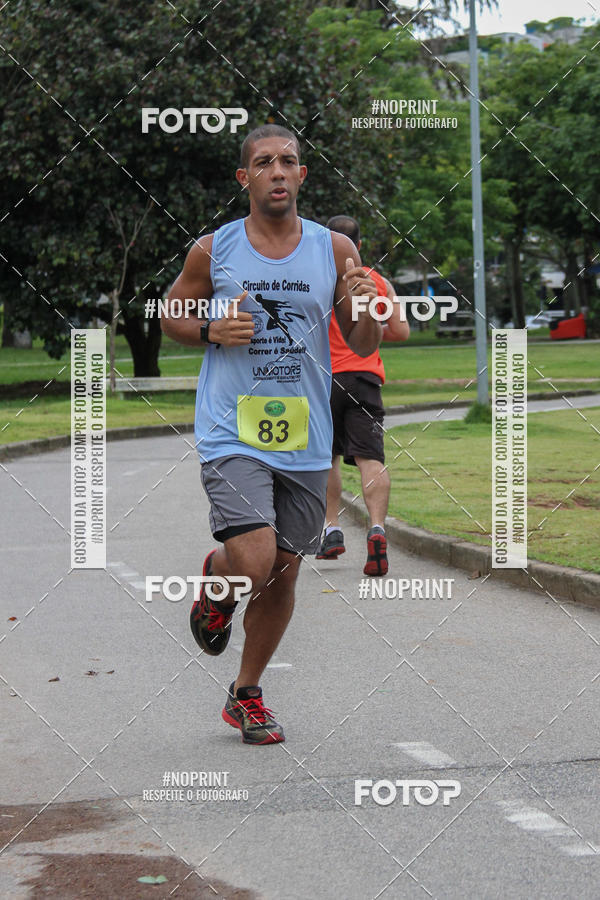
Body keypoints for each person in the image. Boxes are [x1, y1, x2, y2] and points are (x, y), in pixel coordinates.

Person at [161, 125, 381, 744]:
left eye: (289, 161)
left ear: (302, 176)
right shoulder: (215, 248)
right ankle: (221, 574)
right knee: (255, 560)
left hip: (305, 434)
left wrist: (364, 308)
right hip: (233, 429)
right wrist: (209, 331)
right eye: (264, 163)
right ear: (246, 178)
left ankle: (246, 693)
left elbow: (361, 344)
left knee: (285, 569)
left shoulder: (334, 250)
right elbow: (172, 310)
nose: (278, 171)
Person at [316, 215, 409, 576]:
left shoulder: (316, 280)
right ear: (359, 243)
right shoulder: (377, 282)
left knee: (329, 459)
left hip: (324, 379)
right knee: (371, 458)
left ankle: (332, 529)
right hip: (365, 377)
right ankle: (377, 529)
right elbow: (400, 331)